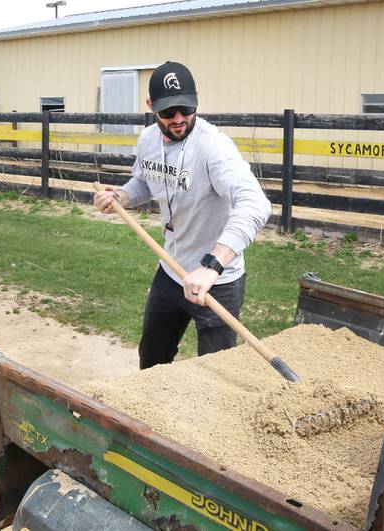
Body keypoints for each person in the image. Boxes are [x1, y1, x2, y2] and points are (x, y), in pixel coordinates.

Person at [93, 61, 271, 370]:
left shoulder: (213, 147)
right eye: (167, 112)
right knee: (151, 359)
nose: (178, 120)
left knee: (216, 375)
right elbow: (144, 181)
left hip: (218, 282)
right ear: (151, 107)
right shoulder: (147, 140)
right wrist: (119, 197)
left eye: (186, 110)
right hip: (171, 273)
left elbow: (255, 204)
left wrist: (211, 266)